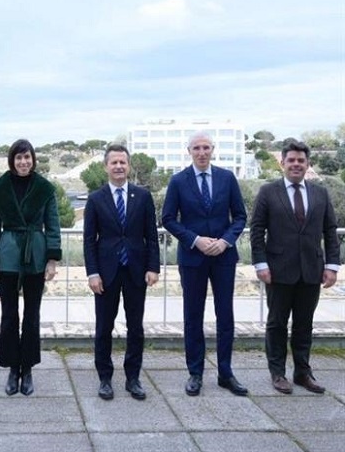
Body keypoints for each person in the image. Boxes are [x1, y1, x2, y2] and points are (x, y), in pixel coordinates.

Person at [161, 131, 248, 397]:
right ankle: (195, 373)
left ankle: (225, 372)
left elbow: (240, 217)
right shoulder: (178, 181)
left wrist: (225, 241)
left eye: (206, 147)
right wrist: (195, 240)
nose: (201, 152)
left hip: (223, 257)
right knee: (193, 317)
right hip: (193, 257)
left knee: (225, 316)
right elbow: (168, 218)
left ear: (213, 150)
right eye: (196, 148)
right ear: (189, 151)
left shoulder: (227, 178)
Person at [250, 139, 339, 395]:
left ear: (307, 164)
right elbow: (257, 230)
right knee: (276, 323)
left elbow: (330, 231)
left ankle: (302, 373)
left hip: (312, 270)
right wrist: (260, 264)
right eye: (291, 160)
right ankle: (277, 373)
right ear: (283, 163)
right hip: (277, 270)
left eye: (301, 160)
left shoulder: (320, 193)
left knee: (304, 324)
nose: (296, 164)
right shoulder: (268, 192)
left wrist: (332, 265)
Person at [0, 138, 61, 396]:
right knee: (8, 317)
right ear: (12, 160)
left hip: (36, 257)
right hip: (8, 257)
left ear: (33, 159)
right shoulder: (1, 189)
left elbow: (53, 226)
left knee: (32, 316)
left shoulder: (44, 189)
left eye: (27, 157)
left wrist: (51, 259)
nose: (23, 162)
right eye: (19, 157)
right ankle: (11, 368)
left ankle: (27, 368)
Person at [83, 145, 160, 401]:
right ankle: (105, 377)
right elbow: (88, 240)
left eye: (122, 163)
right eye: (113, 162)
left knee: (135, 328)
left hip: (137, 272)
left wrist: (153, 267)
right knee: (104, 327)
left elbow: (151, 235)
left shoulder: (143, 196)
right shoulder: (95, 198)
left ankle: (133, 378)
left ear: (129, 166)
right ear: (106, 166)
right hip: (106, 274)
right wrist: (92, 273)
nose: (118, 167)